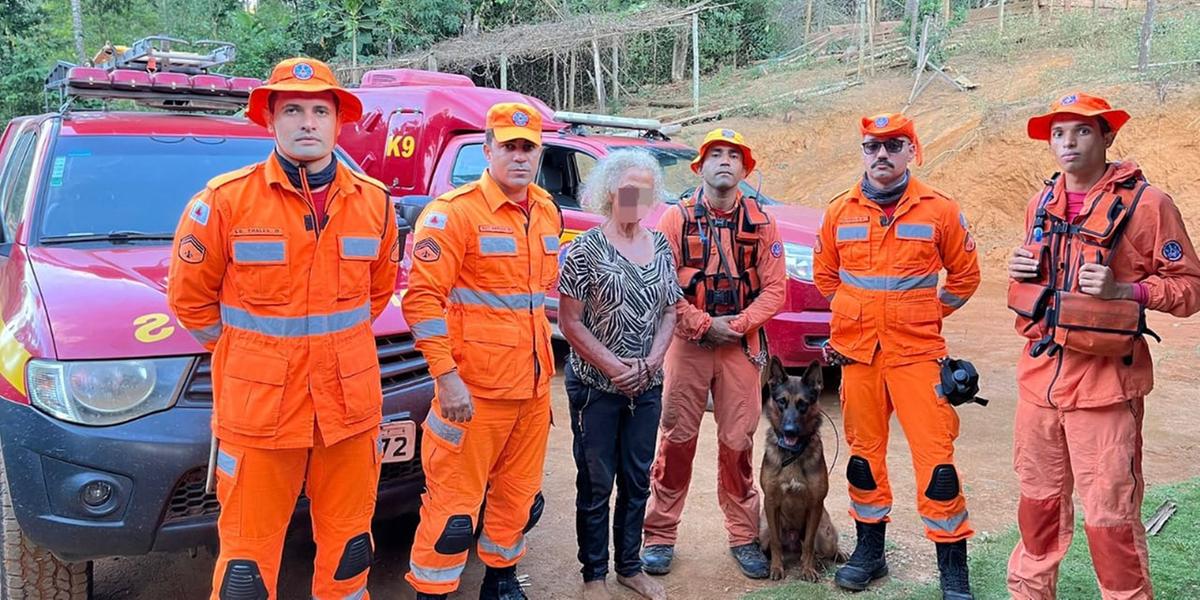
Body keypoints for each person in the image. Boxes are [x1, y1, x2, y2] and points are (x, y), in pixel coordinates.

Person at [167, 58, 399, 600]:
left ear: (339, 122)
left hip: (348, 410)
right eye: (292, 109)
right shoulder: (224, 202)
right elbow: (190, 301)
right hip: (259, 414)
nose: (307, 122)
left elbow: (376, 294)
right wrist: (252, 356)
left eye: (321, 110)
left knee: (349, 548)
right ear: (270, 119)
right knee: (246, 564)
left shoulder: (375, 204)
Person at [1006, 92, 1200, 600]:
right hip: (1038, 387)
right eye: (1058, 133)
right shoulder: (1039, 202)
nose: (1067, 143)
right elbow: (1039, 277)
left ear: (1108, 136)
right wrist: (1021, 269)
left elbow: (1189, 289)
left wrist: (1126, 291)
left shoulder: (1149, 205)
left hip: (1105, 390)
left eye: (1082, 131)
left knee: (1110, 521)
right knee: (1037, 510)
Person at [812, 113, 981, 598]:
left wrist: (925, 312)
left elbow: (965, 278)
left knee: (938, 467)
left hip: (917, 356)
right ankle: (871, 554)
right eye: (872, 146)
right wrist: (854, 312)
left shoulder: (939, 210)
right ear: (863, 152)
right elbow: (827, 277)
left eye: (893, 145)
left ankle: (953, 571)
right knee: (864, 460)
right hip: (859, 357)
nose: (881, 155)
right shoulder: (839, 211)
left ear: (911, 151)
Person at [402, 102, 560, 600]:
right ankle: (434, 590)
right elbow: (422, 300)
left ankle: (500, 579)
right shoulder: (454, 214)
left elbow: (538, 299)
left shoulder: (546, 210)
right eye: (508, 146)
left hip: (533, 390)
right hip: (473, 393)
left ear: (539, 153)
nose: (518, 157)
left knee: (516, 498)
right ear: (487, 149)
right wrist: (446, 378)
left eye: (527, 148)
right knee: (452, 507)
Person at [641, 128, 787, 580]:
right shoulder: (675, 218)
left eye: (733, 156)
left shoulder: (762, 222)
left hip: (740, 346)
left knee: (738, 443)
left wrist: (736, 326)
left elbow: (776, 289)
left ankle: (744, 536)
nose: (724, 162)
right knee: (676, 441)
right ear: (700, 167)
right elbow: (661, 284)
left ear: (745, 170)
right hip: (688, 344)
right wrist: (704, 325)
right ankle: (659, 536)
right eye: (715, 155)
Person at [558, 149, 679, 600]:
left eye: (645, 188)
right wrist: (613, 367)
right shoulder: (585, 249)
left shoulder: (661, 245)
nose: (637, 195)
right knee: (595, 483)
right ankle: (594, 575)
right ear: (609, 190)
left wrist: (650, 363)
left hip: (646, 387)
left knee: (637, 477)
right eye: (628, 186)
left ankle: (630, 566)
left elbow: (671, 310)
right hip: (596, 388)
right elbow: (569, 322)